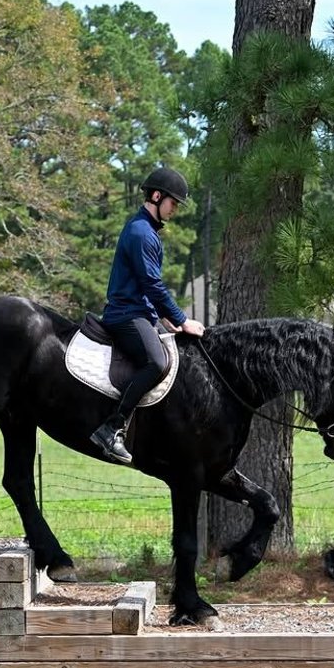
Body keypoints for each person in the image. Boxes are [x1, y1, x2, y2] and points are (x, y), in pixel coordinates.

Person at [90, 167, 205, 464]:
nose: (175, 209)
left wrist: (164, 319)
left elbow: (145, 287)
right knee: (156, 362)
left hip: (139, 311)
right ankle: (112, 428)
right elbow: (152, 284)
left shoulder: (146, 231)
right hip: (125, 315)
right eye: (173, 202)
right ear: (156, 196)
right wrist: (181, 319)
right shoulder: (141, 233)